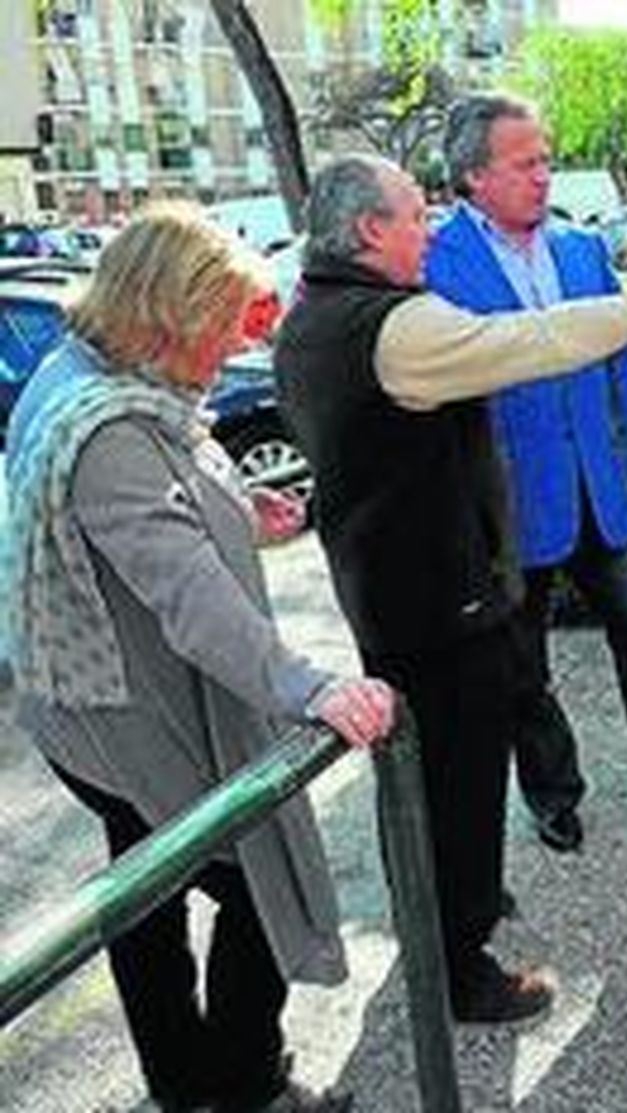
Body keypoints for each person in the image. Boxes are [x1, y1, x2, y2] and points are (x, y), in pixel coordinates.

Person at [273, 154, 627, 1023]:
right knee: (460, 776)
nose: (430, 227)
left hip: (382, 587)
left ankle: (439, 923)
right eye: (415, 214)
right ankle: (462, 964)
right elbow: (537, 341)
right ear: (371, 230)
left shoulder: (308, 316)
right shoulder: (395, 325)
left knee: (416, 777)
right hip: (439, 595)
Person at [0, 204, 394, 1113]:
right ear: (163, 314)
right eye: (220, 327)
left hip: (79, 701)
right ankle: (246, 1083)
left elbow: (147, 513)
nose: (228, 351)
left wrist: (236, 508)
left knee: (143, 890)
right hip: (124, 712)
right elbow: (190, 598)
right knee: (255, 876)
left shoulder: (87, 372)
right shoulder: (109, 430)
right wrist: (309, 684)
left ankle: (186, 1086)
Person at [426, 94, 627, 854]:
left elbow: (624, 365)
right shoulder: (435, 264)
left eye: (545, 159)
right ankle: (553, 795)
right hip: (508, 505)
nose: (544, 175)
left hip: (601, 491)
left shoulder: (580, 248)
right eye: (524, 163)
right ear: (473, 177)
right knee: (522, 669)